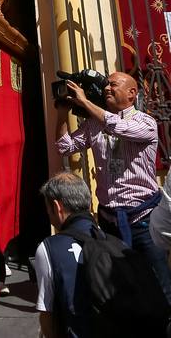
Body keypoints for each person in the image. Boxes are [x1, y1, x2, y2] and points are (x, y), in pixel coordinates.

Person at [55, 70, 171, 304]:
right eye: (106, 84)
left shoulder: (145, 122)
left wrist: (85, 102)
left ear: (131, 93)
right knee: (119, 286)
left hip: (143, 221)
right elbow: (64, 147)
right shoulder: (92, 125)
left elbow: (120, 128)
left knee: (160, 286)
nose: (107, 88)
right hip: (110, 221)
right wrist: (61, 114)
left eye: (113, 84)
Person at [34, 172, 98, 338]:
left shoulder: (49, 248)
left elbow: (47, 317)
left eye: (48, 209)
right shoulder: (111, 240)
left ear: (56, 207)